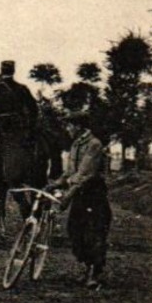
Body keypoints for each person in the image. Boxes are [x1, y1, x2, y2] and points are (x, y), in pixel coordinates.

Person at [49, 110, 110, 288]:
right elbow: (70, 172)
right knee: (75, 231)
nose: (67, 129)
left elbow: (84, 174)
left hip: (93, 195)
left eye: (69, 125)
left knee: (94, 233)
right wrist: (55, 184)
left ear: (78, 126)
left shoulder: (94, 144)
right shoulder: (76, 145)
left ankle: (94, 274)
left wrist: (65, 197)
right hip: (79, 195)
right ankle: (86, 267)